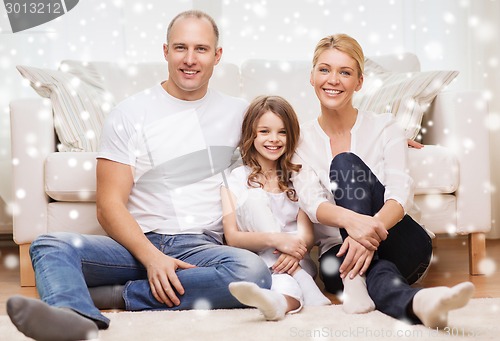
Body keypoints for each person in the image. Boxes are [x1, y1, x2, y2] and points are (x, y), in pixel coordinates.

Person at [7, 10, 272, 341]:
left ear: (217, 56)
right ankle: (70, 318)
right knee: (51, 244)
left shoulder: (239, 113)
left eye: (201, 49)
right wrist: (152, 258)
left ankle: (114, 296)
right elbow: (108, 205)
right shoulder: (130, 113)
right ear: (165, 51)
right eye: (180, 48)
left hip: (202, 248)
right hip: (137, 243)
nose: (190, 59)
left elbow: (276, 171)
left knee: (253, 273)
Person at [292, 33, 475, 328]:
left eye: (345, 72)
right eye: (324, 69)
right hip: (337, 259)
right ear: (311, 77)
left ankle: (356, 276)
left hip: (403, 245)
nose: (333, 79)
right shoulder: (299, 139)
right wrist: (356, 228)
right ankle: (417, 303)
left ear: (359, 82)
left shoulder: (386, 126)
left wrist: (362, 237)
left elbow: (399, 194)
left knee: (345, 163)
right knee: (376, 272)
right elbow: (311, 201)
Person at [220, 95, 331, 321]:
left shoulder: (297, 177)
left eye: (282, 132)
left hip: (296, 259)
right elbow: (231, 236)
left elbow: (306, 235)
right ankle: (287, 295)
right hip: (263, 262)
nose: (274, 139)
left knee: (284, 280)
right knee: (253, 198)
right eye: (264, 131)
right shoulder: (236, 178)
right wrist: (276, 241)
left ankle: (281, 297)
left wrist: (292, 252)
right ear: (251, 135)